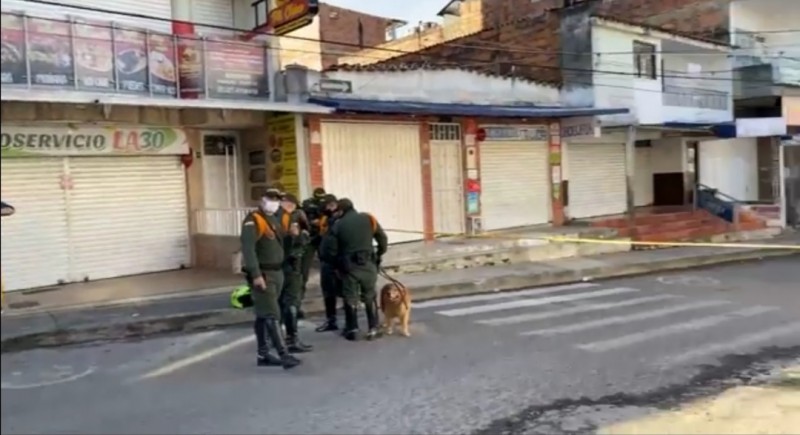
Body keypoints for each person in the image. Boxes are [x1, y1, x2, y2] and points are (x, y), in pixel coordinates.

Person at [240, 190, 301, 369]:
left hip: (277, 271)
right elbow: (248, 249)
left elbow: (278, 241)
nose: (273, 203)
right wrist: (256, 274)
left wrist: (291, 234)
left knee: (263, 314)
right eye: (270, 199)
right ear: (262, 200)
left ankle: (263, 353)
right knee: (272, 314)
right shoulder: (253, 220)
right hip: (264, 274)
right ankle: (284, 354)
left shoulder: (272, 219)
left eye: (276, 200)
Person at [323, 198, 388, 341]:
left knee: (350, 297)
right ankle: (373, 328)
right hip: (368, 263)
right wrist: (378, 255)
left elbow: (331, 250)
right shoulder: (369, 218)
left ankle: (352, 328)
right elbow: (382, 239)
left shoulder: (338, 225)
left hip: (349, 267)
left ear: (341, 211)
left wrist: (336, 266)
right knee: (369, 295)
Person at [277, 193, 313, 353]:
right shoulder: (294, 218)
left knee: (277, 302)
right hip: (290, 266)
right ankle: (291, 340)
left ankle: (275, 339)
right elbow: (303, 239)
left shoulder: (266, 218)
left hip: (273, 268)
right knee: (291, 301)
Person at [298, 187, 329, 319]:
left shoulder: (328, 204)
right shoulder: (306, 204)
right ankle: (297, 303)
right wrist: (311, 222)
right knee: (302, 272)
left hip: (323, 239)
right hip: (310, 239)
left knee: (328, 269)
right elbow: (301, 220)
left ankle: (331, 300)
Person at [315, 194, 342, 332]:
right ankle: (331, 320)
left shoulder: (340, 219)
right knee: (328, 293)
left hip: (338, 261)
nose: (325, 209)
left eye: (327, 206)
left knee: (345, 292)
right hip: (326, 261)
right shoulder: (327, 219)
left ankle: (351, 323)